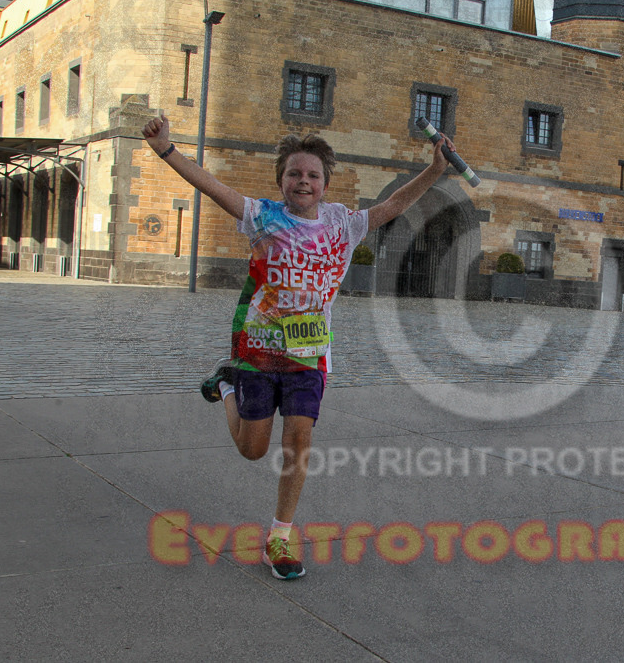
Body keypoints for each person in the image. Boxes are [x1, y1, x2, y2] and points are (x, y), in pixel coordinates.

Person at [142, 115, 453, 579]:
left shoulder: (343, 223)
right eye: (294, 173)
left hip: (309, 355)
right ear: (281, 181)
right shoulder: (261, 216)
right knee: (253, 450)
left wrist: (435, 169)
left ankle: (279, 537)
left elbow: (394, 204)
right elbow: (211, 186)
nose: (303, 181)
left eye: (312, 175)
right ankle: (227, 386)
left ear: (326, 184)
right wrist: (166, 149)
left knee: (299, 440)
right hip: (258, 350)